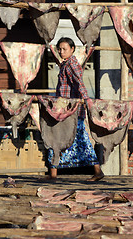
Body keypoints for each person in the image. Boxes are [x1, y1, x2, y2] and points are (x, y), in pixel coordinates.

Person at [42, 37, 104, 181]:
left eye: (64, 49)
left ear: (72, 49)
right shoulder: (65, 64)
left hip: (72, 111)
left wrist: (87, 101)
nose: (61, 51)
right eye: (59, 49)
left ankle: (97, 171)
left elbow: (79, 83)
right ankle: (53, 174)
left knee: (79, 140)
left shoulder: (72, 64)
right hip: (65, 110)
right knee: (57, 138)